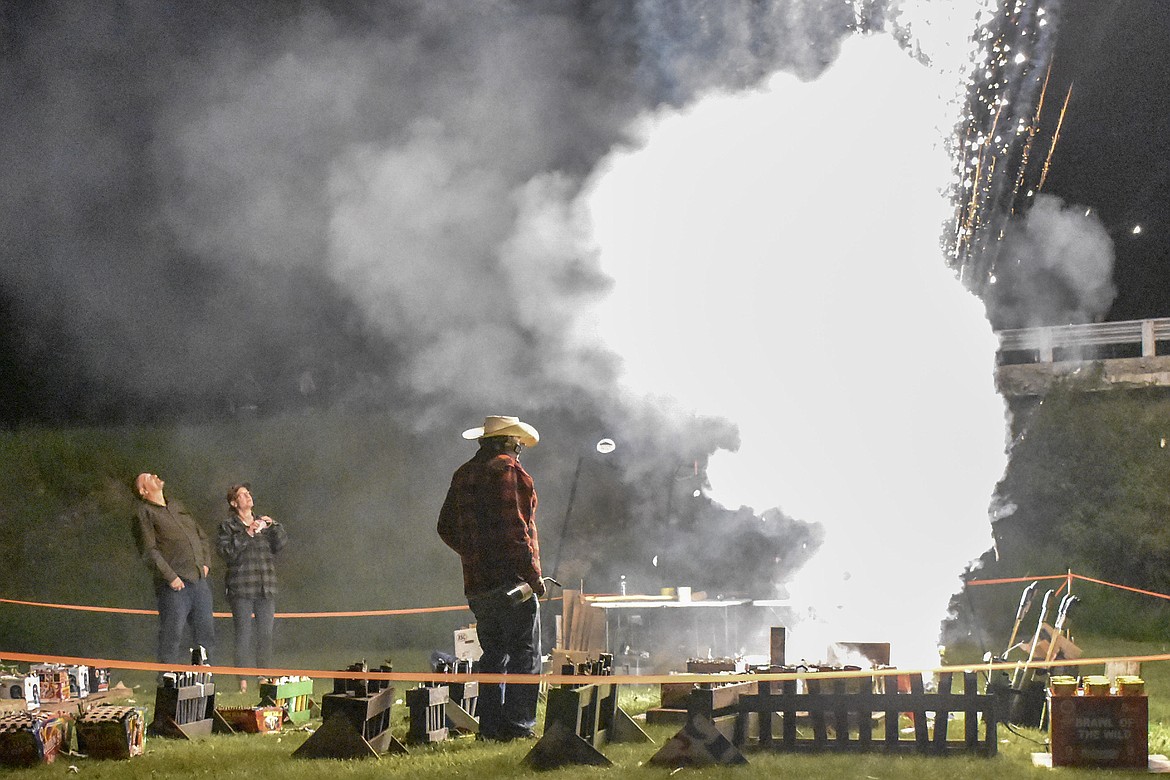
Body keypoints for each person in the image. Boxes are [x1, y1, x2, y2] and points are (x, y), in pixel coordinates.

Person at [438, 415, 545, 741]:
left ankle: (490, 729)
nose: (520, 449)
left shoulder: (464, 473)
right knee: (524, 654)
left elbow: (445, 528)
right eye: (518, 444)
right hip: (513, 584)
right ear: (509, 442)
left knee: (493, 654)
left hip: (479, 585)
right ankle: (518, 727)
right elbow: (517, 533)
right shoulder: (508, 471)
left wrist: (473, 554)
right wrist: (533, 577)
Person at [131, 472, 216, 668]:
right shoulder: (143, 513)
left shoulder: (177, 506)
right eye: (148, 478)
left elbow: (200, 535)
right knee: (172, 636)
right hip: (175, 587)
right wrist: (170, 577)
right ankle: (167, 683)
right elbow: (148, 550)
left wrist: (205, 563)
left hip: (198, 581)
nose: (154, 476)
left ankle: (205, 681)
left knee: (206, 636)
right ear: (143, 491)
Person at [216, 483, 288, 694]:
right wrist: (247, 533)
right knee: (243, 635)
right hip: (241, 588)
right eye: (242, 495)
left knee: (265, 634)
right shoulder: (228, 526)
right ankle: (243, 682)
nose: (248, 497)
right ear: (233, 502)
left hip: (265, 586)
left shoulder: (263, 525)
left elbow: (281, 544)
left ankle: (263, 677)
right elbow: (227, 553)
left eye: (249, 493)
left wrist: (273, 525)